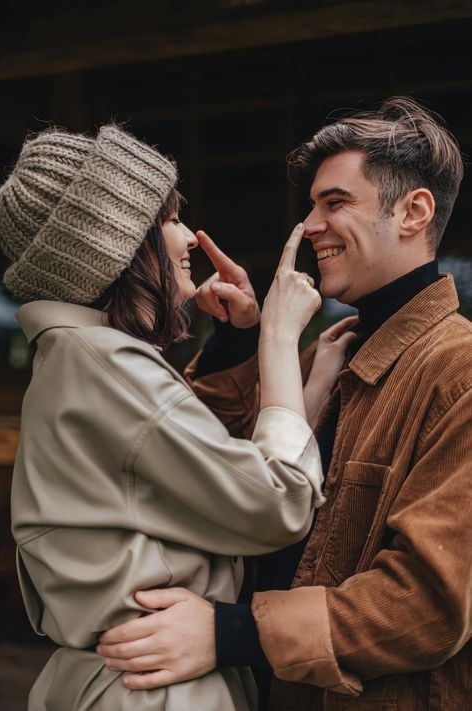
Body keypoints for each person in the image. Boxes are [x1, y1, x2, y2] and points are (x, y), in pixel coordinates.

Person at [96, 97, 472, 711]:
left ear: (414, 211)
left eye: (335, 202)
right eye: (313, 204)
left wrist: (229, 632)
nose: (311, 225)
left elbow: (426, 606)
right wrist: (245, 335)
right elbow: (209, 466)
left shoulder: (459, 374)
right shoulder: (338, 351)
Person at [0, 125, 356, 710]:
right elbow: (277, 502)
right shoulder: (103, 362)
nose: (189, 236)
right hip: (155, 687)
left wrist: (240, 345)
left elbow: (195, 472)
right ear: (113, 243)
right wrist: (277, 335)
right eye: (168, 219)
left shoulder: (77, 359)